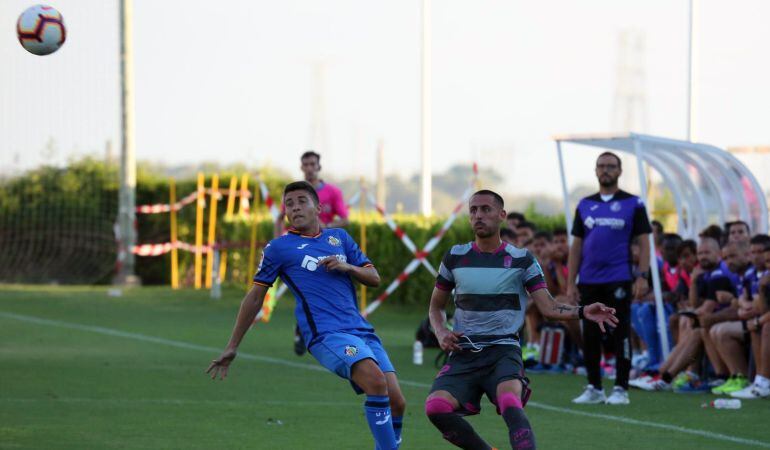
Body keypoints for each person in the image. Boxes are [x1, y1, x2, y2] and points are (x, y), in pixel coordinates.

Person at [207, 181, 405, 449]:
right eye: (289, 203)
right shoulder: (279, 248)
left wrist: (347, 267)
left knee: (397, 402)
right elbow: (255, 296)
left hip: (361, 330)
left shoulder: (340, 239)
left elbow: (374, 277)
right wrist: (232, 346)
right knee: (375, 381)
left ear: (318, 207)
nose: (295, 207)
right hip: (326, 334)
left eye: (301, 201)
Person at [424, 190, 618, 450]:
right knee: (436, 407)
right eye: (473, 210)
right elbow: (436, 307)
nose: (479, 216)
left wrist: (583, 311)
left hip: (503, 350)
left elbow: (548, 308)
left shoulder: (522, 259)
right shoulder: (455, 257)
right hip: (464, 351)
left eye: (486, 209)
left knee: (509, 402)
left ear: (502, 215)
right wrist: (441, 332)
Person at [566, 152, 653, 405]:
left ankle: (620, 389)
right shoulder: (584, 204)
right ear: (595, 171)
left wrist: (643, 276)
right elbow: (576, 246)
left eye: (611, 166)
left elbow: (645, 242)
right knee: (590, 332)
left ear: (619, 171)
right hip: (589, 279)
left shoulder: (634, 203)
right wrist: (571, 282)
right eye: (601, 166)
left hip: (619, 277)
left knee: (619, 330)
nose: (606, 170)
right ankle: (594, 387)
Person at [275, 151, 350, 356]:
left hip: (328, 247)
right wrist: (277, 243)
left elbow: (345, 218)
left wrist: (327, 225)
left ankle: (321, 327)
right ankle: (304, 327)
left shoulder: (332, 192)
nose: (309, 168)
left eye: (312, 164)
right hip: (302, 248)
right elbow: (281, 217)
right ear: (301, 167)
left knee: (332, 288)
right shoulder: (296, 194)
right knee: (307, 289)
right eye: (305, 164)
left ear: (319, 166)